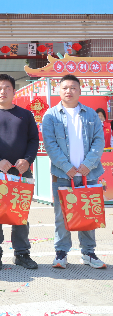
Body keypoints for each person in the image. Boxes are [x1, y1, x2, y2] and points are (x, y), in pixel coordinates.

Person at [0, 73, 39, 270]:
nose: (2, 91)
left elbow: (34, 140)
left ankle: (22, 254)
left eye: (7, 88)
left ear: (14, 91)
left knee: (19, 213)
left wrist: (27, 160)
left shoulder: (25, 115)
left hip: (21, 171)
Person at [42, 75, 106, 269]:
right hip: (63, 175)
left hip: (89, 174)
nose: (68, 91)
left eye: (72, 88)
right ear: (59, 91)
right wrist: (67, 167)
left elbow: (99, 141)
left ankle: (88, 253)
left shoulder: (91, 115)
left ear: (79, 90)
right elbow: (50, 144)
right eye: (65, 88)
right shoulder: (50, 115)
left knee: (88, 214)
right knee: (62, 216)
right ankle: (61, 253)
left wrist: (88, 164)